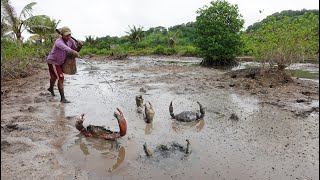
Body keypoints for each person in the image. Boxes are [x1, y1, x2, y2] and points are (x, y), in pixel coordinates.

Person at [46, 26, 82, 103]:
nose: (68, 36)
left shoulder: (71, 41)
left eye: (69, 35)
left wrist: (79, 46)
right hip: (53, 61)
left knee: (54, 76)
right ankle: (63, 98)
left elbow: (75, 50)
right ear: (62, 35)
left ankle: (50, 88)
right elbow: (66, 48)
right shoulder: (58, 42)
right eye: (66, 35)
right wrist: (73, 51)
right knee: (61, 78)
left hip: (60, 62)